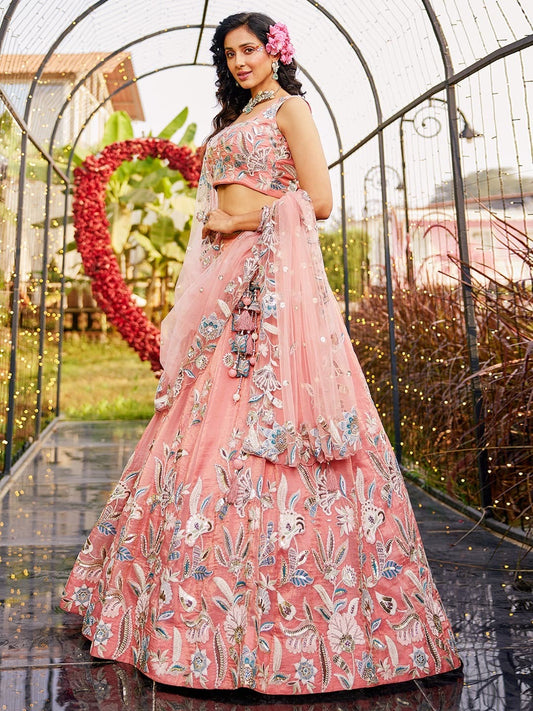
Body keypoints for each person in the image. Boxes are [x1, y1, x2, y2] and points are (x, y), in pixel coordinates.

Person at [60, 11, 462, 694]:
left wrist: (241, 217)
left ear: (275, 52)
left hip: (268, 283)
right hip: (225, 280)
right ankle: (178, 612)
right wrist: (223, 230)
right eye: (229, 53)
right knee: (194, 427)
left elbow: (321, 200)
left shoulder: (293, 110)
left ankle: (297, 624)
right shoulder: (240, 115)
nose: (239, 61)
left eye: (249, 49)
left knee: (266, 428)